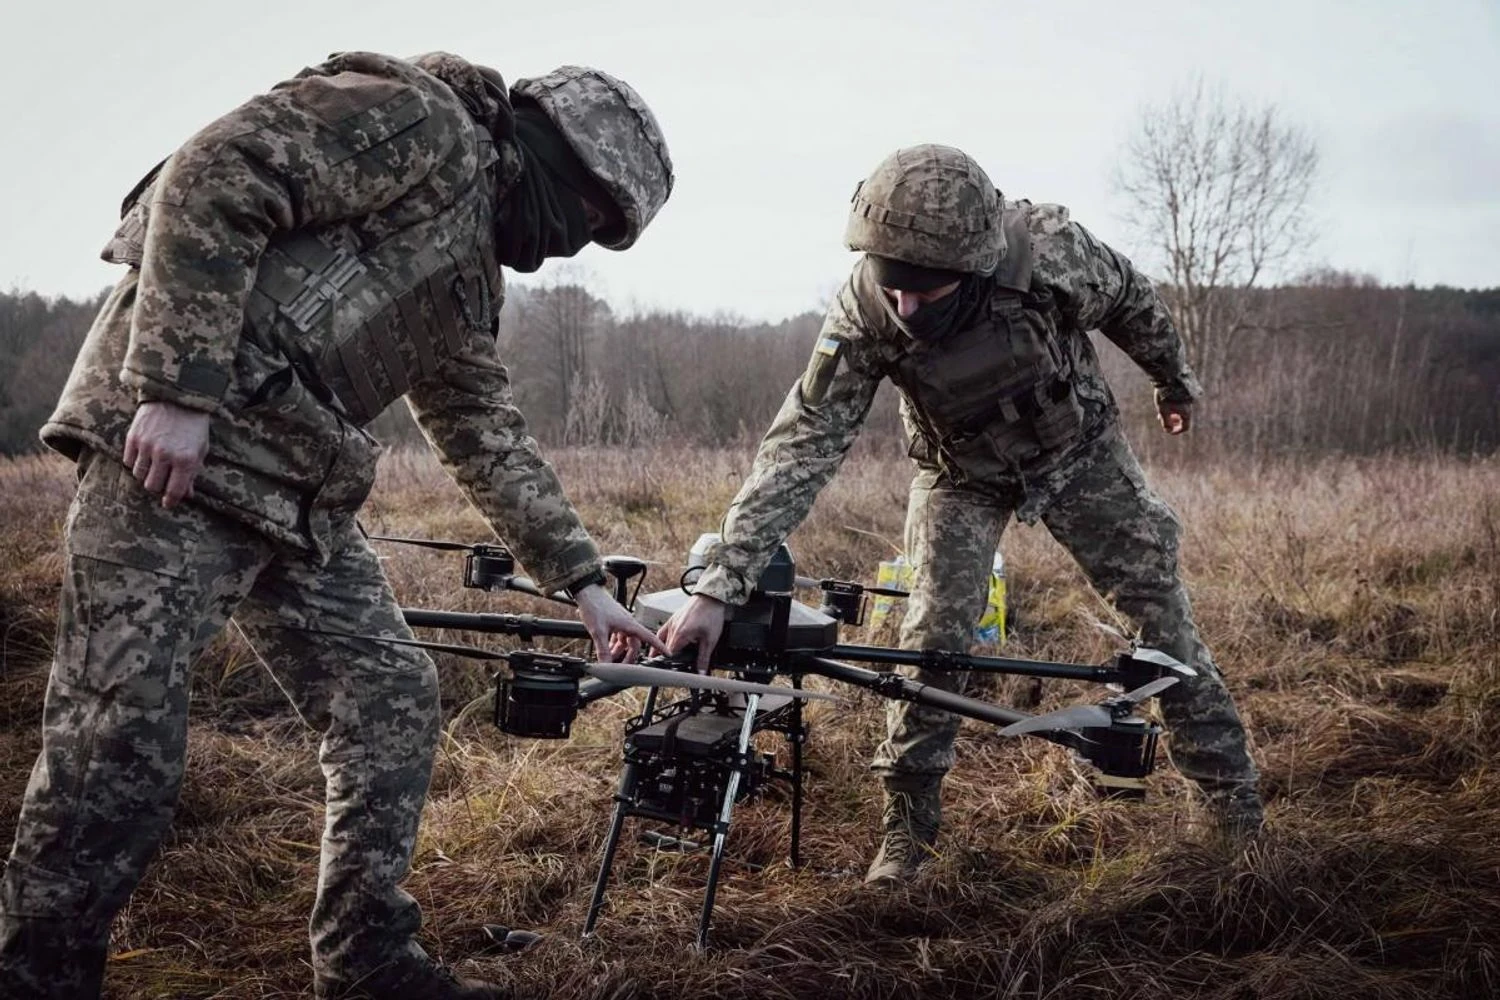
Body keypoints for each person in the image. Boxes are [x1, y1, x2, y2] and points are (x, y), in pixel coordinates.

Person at [0, 51, 673, 1000]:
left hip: (292, 490)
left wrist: (585, 584)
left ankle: (367, 963)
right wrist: (178, 390)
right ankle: (37, 979)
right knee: (115, 754)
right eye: (591, 216)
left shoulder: (471, 281)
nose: (577, 242)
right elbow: (216, 171)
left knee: (388, 695)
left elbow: (481, 430)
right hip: (172, 461)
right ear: (560, 157)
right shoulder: (419, 119)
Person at [659, 144, 1264, 887]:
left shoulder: (1049, 254)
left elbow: (1132, 300)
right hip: (958, 475)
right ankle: (907, 832)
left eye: (927, 292)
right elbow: (803, 442)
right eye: (894, 288)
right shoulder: (864, 309)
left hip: (1078, 454)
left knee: (1163, 625)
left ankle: (1233, 815)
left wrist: (1173, 380)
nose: (906, 309)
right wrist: (719, 584)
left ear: (975, 268)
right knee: (933, 640)